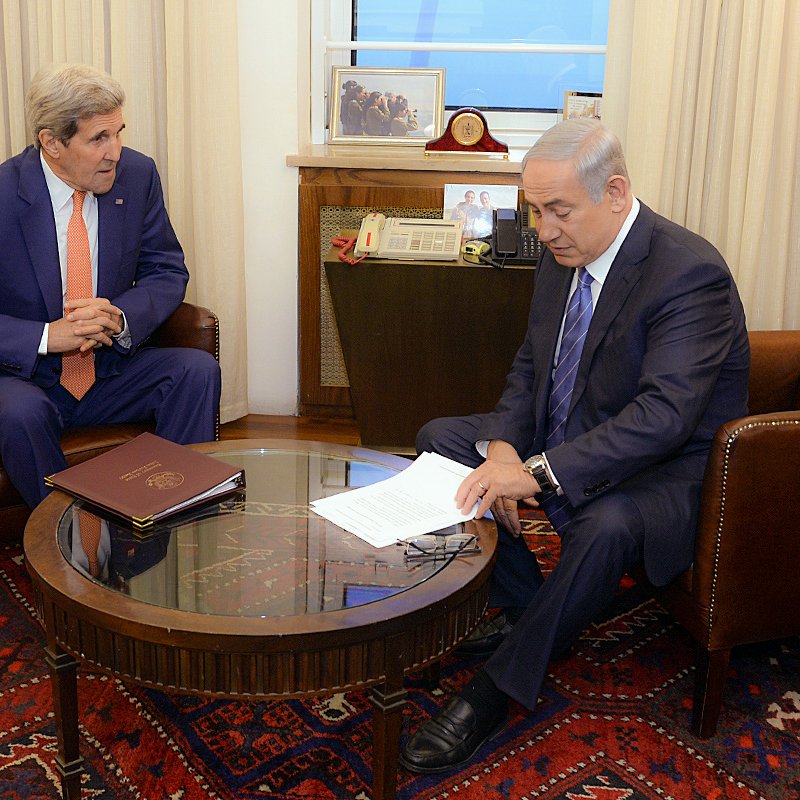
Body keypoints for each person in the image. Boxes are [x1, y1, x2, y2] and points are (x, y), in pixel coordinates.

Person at [400, 118, 749, 773]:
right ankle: (527, 603)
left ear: (615, 192)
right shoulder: (560, 255)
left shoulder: (688, 273)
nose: (544, 229)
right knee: (441, 441)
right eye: (534, 211)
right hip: (580, 431)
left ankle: (493, 690)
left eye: (558, 210)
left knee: (608, 524)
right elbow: (533, 361)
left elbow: (664, 418)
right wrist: (504, 447)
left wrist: (535, 472)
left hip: (669, 471)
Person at [0, 62, 220, 511]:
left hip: (110, 370)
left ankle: (168, 516)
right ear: (51, 142)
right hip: (27, 380)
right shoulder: (5, 193)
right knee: (20, 413)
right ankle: (66, 537)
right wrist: (46, 337)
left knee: (195, 371)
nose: (115, 151)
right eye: (98, 138)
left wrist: (121, 317)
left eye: (118, 132)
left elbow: (166, 269)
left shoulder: (138, 176)